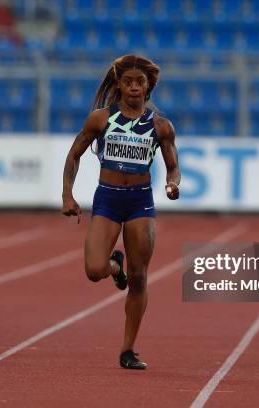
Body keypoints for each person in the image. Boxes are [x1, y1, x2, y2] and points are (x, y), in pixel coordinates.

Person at [61, 55, 180, 369]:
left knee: (140, 277)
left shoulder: (161, 126)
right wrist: (67, 195)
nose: (133, 87)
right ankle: (115, 266)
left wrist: (172, 184)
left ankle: (128, 350)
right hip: (108, 200)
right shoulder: (101, 119)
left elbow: (173, 167)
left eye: (139, 82)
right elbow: (74, 155)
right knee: (93, 270)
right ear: (119, 85)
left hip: (140, 201)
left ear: (148, 86)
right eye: (127, 82)